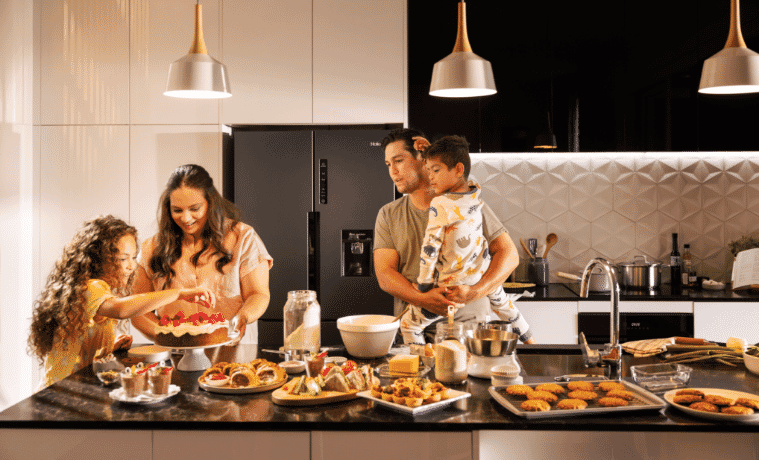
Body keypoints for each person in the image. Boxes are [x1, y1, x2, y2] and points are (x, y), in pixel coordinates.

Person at [374, 128, 536, 344]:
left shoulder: (466, 204)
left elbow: (509, 255)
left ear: (423, 160)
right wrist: (424, 299)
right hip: (416, 331)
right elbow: (385, 275)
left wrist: (475, 291)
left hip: (470, 330)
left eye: (399, 160)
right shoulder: (389, 214)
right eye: (388, 164)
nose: (393, 171)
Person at [28, 215, 216, 388]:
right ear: (98, 259)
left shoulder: (96, 290)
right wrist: (179, 293)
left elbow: (83, 338)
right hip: (60, 392)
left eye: (134, 258)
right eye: (122, 258)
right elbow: (121, 309)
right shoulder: (90, 287)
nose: (131, 266)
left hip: (76, 387)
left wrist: (108, 347)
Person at [130, 164, 272, 345]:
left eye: (195, 209)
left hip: (231, 346)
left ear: (211, 203)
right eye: (177, 210)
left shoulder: (243, 237)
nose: (186, 218)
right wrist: (168, 337)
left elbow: (258, 294)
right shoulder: (152, 247)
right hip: (176, 352)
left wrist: (244, 316)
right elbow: (137, 308)